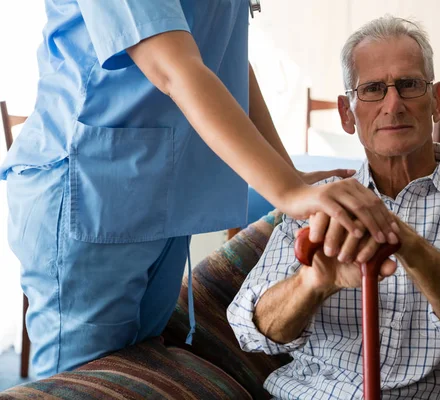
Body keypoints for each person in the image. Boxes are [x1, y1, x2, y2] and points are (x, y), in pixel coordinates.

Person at [0, 0, 400, 378]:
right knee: (82, 386)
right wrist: (288, 192)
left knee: (137, 375)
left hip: (162, 196)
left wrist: (291, 175)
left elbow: (226, 65)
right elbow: (173, 66)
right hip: (89, 192)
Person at [228, 16, 440, 399]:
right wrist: (313, 283)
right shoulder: (319, 202)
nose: (393, 105)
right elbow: (252, 327)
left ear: (436, 102)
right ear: (347, 114)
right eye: (373, 89)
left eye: (409, 85)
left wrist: (405, 240)